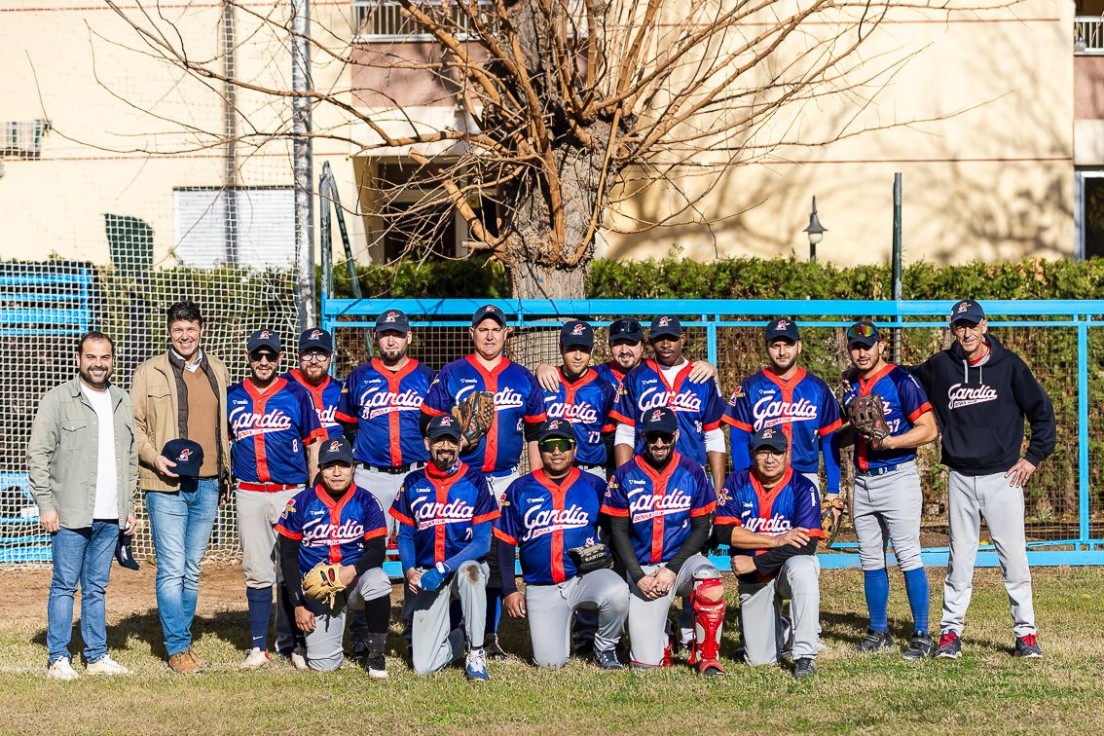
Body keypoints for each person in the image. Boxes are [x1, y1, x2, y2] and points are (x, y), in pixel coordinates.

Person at [908, 299, 1056, 659]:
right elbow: (903, 377)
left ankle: (1026, 633)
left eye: (972, 325)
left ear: (985, 325)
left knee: (1014, 560)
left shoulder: (1009, 366)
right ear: (952, 328)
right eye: (960, 326)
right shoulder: (942, 367)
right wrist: (864, 372)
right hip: (960, 476)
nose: (966, 332)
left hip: (1003, 478)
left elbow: (1042, 412)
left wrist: (1033, 457)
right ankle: (950, 632)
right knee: (960, 560)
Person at [421, 304, 546, 658]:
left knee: (494, 553)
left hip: (506, 478)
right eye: (483, 329)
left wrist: (535, 478)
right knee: (459, 551)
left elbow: (535, 431)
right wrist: (452, 443)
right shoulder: (452, 373)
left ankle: (488, 636)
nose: (490, 335)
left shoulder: (522, 377)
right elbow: (427, 424)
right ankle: (456, 629)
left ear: (507, 334)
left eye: (496, 329)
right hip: (464, 479)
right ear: (472, 333)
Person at [28, 331, 138, 680]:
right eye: (91, 356)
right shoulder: (58, 400)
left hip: (110, 515)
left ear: (113, 360)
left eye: (104, 357)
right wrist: (46, 504)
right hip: (71, 512)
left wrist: (128, 507)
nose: (98, 363)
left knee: (96, 587)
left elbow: (130, 458)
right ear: (79, 359)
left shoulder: (122, 400)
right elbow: (38, 455)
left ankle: (96, 656)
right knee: (64, 585)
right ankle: (58, 658)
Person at [130, 300, 232, 674]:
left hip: (207, 484)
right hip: (164, 484)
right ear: (170, 332)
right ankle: (178, 647)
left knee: (191, 568)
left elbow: (223, 430)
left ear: (201, 328)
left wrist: (224, 474)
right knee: (171, 568)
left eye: (190, 328)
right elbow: (135, 427)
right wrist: (154, 458)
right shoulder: (148, 373)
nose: (184, 335)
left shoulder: (218, 370)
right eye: (178, 329)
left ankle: (182, 639)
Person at [336, 309, 435, 657]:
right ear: (375, 338)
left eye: (397, 333)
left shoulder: (426, 376)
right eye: (384, 333)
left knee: (418, 552)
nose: (391, 339)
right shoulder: (360, 376)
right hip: (370, 474)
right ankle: (363, 630)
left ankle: (414, 628)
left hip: (414, 474)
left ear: (409, 337)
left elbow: (435, 427)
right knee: (366, 552)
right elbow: (347, 425)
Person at [496, 418, 630, 669]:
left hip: (582, 578)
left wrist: (611, 556)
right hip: (542, 585)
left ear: (574, 449)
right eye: (549, 445)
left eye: (563, 445)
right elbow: (504, 542)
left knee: (618, 592)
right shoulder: (520, 489)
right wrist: (510, 590)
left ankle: (605, 647)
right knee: (550, 663)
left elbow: (617, 529)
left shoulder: (594, 485)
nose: (557, 452)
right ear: (540, 450)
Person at [841, 320, 938, 660]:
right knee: (870, 558)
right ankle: (879, 630)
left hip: (898, 476)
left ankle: (923, 633)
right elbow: (852, 432)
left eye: (868, 345)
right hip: (863, 480)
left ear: (881, 346)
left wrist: (892, 441)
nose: (862, 351)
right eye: (855, 345)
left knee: (908, 554)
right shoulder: (850, 385)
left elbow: (928, 430)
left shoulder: (901, 380)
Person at [601, 407, 725, 674]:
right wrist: (637, 575)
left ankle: (707, 655)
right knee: (644, 665)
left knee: (708, 576)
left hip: (680, 562)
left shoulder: (692, 471)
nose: (659, 444)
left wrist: (672, 568)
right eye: (652, 437)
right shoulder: (624, 475)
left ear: (676, 435)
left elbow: (702, 527)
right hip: (643, 567)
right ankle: (664, 638)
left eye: (665, 437)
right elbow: (618, 530)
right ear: (642, 436)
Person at [228, 329, 324, 670]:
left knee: (293, 568)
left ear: (281, 358)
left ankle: (295, 644)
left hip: (291, 491)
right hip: (251, 490)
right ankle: (258, 646)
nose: (264, 361)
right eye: (258, 356)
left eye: (270, 356)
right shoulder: (234, 396)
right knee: (256, 569)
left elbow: (313, 443)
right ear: (249, 358)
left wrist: (313, 490)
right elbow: (226, 441)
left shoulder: (296, 394)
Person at [390, 415, 499, 681]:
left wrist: (445, 567)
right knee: (423, 667)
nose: (446, 447)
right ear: (428, 443)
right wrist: (410, 571)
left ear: (460, 444)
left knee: (471, 574)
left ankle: (476, 651)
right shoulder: (413, 482)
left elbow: (483, 542)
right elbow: (404, 535)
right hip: (428, 576)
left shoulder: (476, 481)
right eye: (440, 440)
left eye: (451, 440)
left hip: (463, 566)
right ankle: (459, 638)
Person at [276, 437, 392, 675]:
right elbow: (287, 556)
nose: (337, 472)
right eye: (330, 466)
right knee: (324, 666)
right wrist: (298, 603)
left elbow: (378, 551)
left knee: (379, 580)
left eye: (344, 465)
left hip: (354, 582)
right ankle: (310, 643)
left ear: (353, 467)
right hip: (317, 587)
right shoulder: (301, 503)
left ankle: (377, 656)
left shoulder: (367, 501)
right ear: (320, 470)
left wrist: (354, 570)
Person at [714, 427, 823, 679]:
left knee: (803, 567)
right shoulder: (737, 482)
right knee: (759, 661)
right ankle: (783, 629)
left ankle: (805, 655)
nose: (770, 458)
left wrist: (756, 561)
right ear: (753, 454)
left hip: (783, 570)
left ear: (787, 454)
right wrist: (776, 540)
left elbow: (807, 545)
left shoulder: (803, 486)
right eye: (764, 451)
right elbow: (722, 532)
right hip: (755, 580)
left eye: (776, 451)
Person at [723, 318, 842, 506]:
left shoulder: (818, 388)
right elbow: (738, 439)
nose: (782, 352)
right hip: (761, 478)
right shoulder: (750, 386)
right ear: (766, 347)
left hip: (805, 477)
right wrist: (744, 483)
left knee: (806, 535)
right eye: (775, 345)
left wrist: (833, 490)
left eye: (788, 345)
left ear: (799, 346)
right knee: (761, 535)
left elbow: (829, 439)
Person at [610, 315, 726, 488]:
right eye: (659, 339)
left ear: (682, 339)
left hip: (691, 476)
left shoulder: (702, 377)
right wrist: (625, 482)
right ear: (650, 341)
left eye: (671, 338)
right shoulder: (635, 378)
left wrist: (718, 490)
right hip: (646, 477)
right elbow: (625, 433)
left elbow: (713, 435)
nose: (665, 344)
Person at [541, 320, 618, 479]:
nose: (577, 356)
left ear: (592, 350)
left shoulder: (604, 388)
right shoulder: (545, 381)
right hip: (551, 469)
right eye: (571, 349)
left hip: (591, 470)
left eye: (583, 350)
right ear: (560, 348)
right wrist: (540, 367)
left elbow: (609, 437)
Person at [284, 327, 344, 442]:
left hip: (337, 458)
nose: (314, 360)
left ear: (330, 356)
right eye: (307, 353)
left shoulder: (340, 390)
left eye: (321, 354)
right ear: (298, 355)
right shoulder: (283, 388)